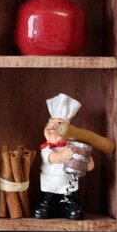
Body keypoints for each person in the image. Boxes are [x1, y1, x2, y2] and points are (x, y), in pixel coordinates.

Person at [33, 93, 92, 221]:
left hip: (68, 186)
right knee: (45, 203)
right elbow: (51, 158)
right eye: (49, 124)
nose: (52, 128)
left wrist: (87, 164)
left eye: (58, 124)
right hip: (49, 186)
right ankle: (46, 207)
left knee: (72, 203)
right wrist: (61, 156)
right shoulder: (46, 148)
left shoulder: (72, 147)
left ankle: (69, 207)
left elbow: (80, 161)